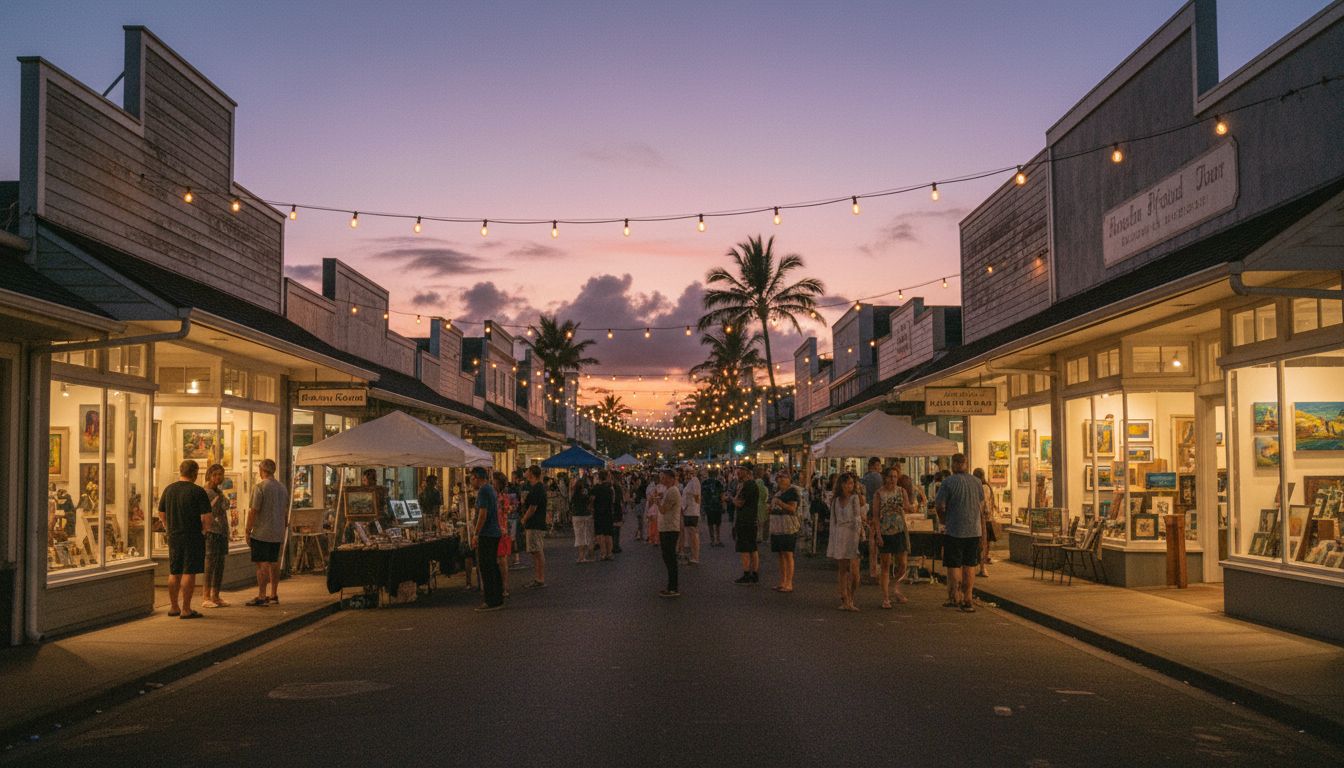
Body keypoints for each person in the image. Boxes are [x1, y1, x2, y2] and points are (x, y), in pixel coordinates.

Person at [158, 460, 210, 619]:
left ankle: (174, 606)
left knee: (174, 571)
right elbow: (207, 517)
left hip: (174, 535)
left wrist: (168, 527)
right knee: (189, 571)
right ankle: (186, 609)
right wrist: (204, 531)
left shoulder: (169, 490)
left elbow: (161, 513)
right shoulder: (198, 491)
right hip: (192, 535)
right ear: (194, 473)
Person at [935, 453, 985, 613]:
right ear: (966, 463)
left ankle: (954, 596)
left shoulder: (948, 482)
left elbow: (939, 505)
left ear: (953, 465)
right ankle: (968, 598)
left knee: (954, 565)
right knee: (970, 565)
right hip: (973, 530)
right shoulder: (977, 482)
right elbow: (981, 505)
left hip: (954, 529)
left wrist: (944, 520)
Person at [244, 458, 289, 606]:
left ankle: (262, 595)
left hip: (262, 532)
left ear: (262, 470)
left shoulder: (260, 487)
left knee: (261, 564)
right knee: (274, 563)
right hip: (277, 531)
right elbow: (285, 512)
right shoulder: (282, 488)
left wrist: (247, 529)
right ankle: (274, 594)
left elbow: (254, 510)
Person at [872, 466, 911, 609]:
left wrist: (913, 506)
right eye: (890, 477)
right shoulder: (879, 494)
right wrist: (878, 534)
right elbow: (875, 516)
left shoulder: (902, 491)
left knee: (902, 564)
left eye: (895, 477)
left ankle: (895, 586)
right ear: (885, 478)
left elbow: (908, 507)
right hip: (885, 531)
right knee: (885, 565)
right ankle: (886, 597)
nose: (893, 480)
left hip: (899, 530)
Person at [827, 472, 866, 612]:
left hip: (852, 534)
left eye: (851, 483)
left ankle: (851, 596)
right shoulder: (836, 500)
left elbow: (858, 517)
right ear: (841, 484)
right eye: (846, 483)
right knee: (843, 569)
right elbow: (833, 521)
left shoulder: (855, 498)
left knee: (855, 573)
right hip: (840, 534)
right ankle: (844, 598)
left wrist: (859, 535)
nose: (849, 486)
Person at [471, 467, 504, 611]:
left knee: (486, 566)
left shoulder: (484, 491)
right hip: (494, 532)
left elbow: (482, 514)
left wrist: (476, 533)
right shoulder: (490, 489)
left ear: (477, 477)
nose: (471, 481)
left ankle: (491, 600)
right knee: (493, 565)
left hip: (487, 533)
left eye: (472, 478)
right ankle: (498, 597)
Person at [201, 463, 231, 609]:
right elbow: (220, 507)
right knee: (210, 564)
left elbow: (227, 505)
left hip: (222, 531)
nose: (219, 477)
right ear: (210, 475)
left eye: (221, 474)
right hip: (211, 531)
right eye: (216, 475)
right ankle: (206, 596)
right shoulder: (206, 492)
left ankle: (216, 595)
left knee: (220, 564)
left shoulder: (218, 491)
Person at [768, 470, 801, 592]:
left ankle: (789, 583)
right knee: (780, 555)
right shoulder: (778, 492)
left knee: (788, 554)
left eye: (784, 477)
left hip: (788, 527)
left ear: (789, 479)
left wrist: (780, 503)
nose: (781, 479)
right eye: (779, 477)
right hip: (777, 528)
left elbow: (792, 509)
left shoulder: (792, 491)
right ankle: (782, 581)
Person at [731, 464, 761, 584]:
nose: (738, 473)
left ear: (747, 472)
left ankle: (747, 574)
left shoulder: (748, 485)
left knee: (745, 548)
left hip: (745, 521)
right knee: (753, 547)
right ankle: (754, 574)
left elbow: (739, 503)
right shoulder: (752, 485)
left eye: (740, 470)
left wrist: (731, 498)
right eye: (738, 470)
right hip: (751, 520)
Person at [656, 469, 682, 597]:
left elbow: (663, 510)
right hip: (666, 527)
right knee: (668, 557)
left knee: (670, 558)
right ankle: (671, 586)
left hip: (670, 528)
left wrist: (656, 501)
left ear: (672, 478)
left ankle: (673, 587)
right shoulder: (669, 490)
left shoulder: (672, 491)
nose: (662, 480)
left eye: (664, 478)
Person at [521, 466, 548, 588]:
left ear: (531, 473)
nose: (525, 472)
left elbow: (533, 507)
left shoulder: (537, 488)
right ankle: (538, 578)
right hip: (535, 523)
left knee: (537, 551)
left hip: (535, 523)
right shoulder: (537, 487)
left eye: (527, 471)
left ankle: (540, 578)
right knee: (535, 551)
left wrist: (524, 518)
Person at [861, 457, 885, 582]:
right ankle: (875, 569)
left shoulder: (864, 478)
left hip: (869, 511)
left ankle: (873, 568)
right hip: (879, 511)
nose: (880, 468)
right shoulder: (879, 477)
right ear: (875, 465)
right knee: (876, 539)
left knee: (872, 538)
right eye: (879, 465)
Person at [973, 468, 998, 578]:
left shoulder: (983, 488)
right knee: (984, 543)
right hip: (986, 518)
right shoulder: (987, 486)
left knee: (983, 543)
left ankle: (983, 568)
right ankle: (982, 566)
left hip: (983, 518)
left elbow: (984, 504)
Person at [592, 470, 616, 561]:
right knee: (608, 534)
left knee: (600, 534)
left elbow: (592, 499)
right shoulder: (610, 489)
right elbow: (613, 500)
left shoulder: (596, 488)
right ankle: (609, 553)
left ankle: (603, 553)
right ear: (606, 477)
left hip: (598, 513)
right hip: (608, 513)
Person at [571, 475, 595, 562]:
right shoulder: (586, 493)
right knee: (587, 535)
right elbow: (591, 501)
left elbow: (572, 504)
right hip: (586, 515)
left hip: (576, 516)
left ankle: (581, 556)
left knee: (579, 536)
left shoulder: (574, 494)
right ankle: (589, 555)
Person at [681, 467, 702, 565]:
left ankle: (695, 557)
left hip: (692, 511)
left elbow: (697, 496)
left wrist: (692, 504)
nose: (686, 475)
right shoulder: (689, 483)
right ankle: (692, 555)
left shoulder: (695, 481)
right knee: (690, 534)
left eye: (688, 472)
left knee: (693, 534)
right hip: (687, 511)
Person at [701, 468, 725, 547]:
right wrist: (723, 504)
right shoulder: (718, 483)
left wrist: (703, 507)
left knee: (710, 524)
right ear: (716, 475)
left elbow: (702, 496)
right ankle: (718, 539)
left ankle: (712, 540)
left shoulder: (704, 483)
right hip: (717, 506)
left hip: (708, 507)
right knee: (718, 524)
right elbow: (722, 495)